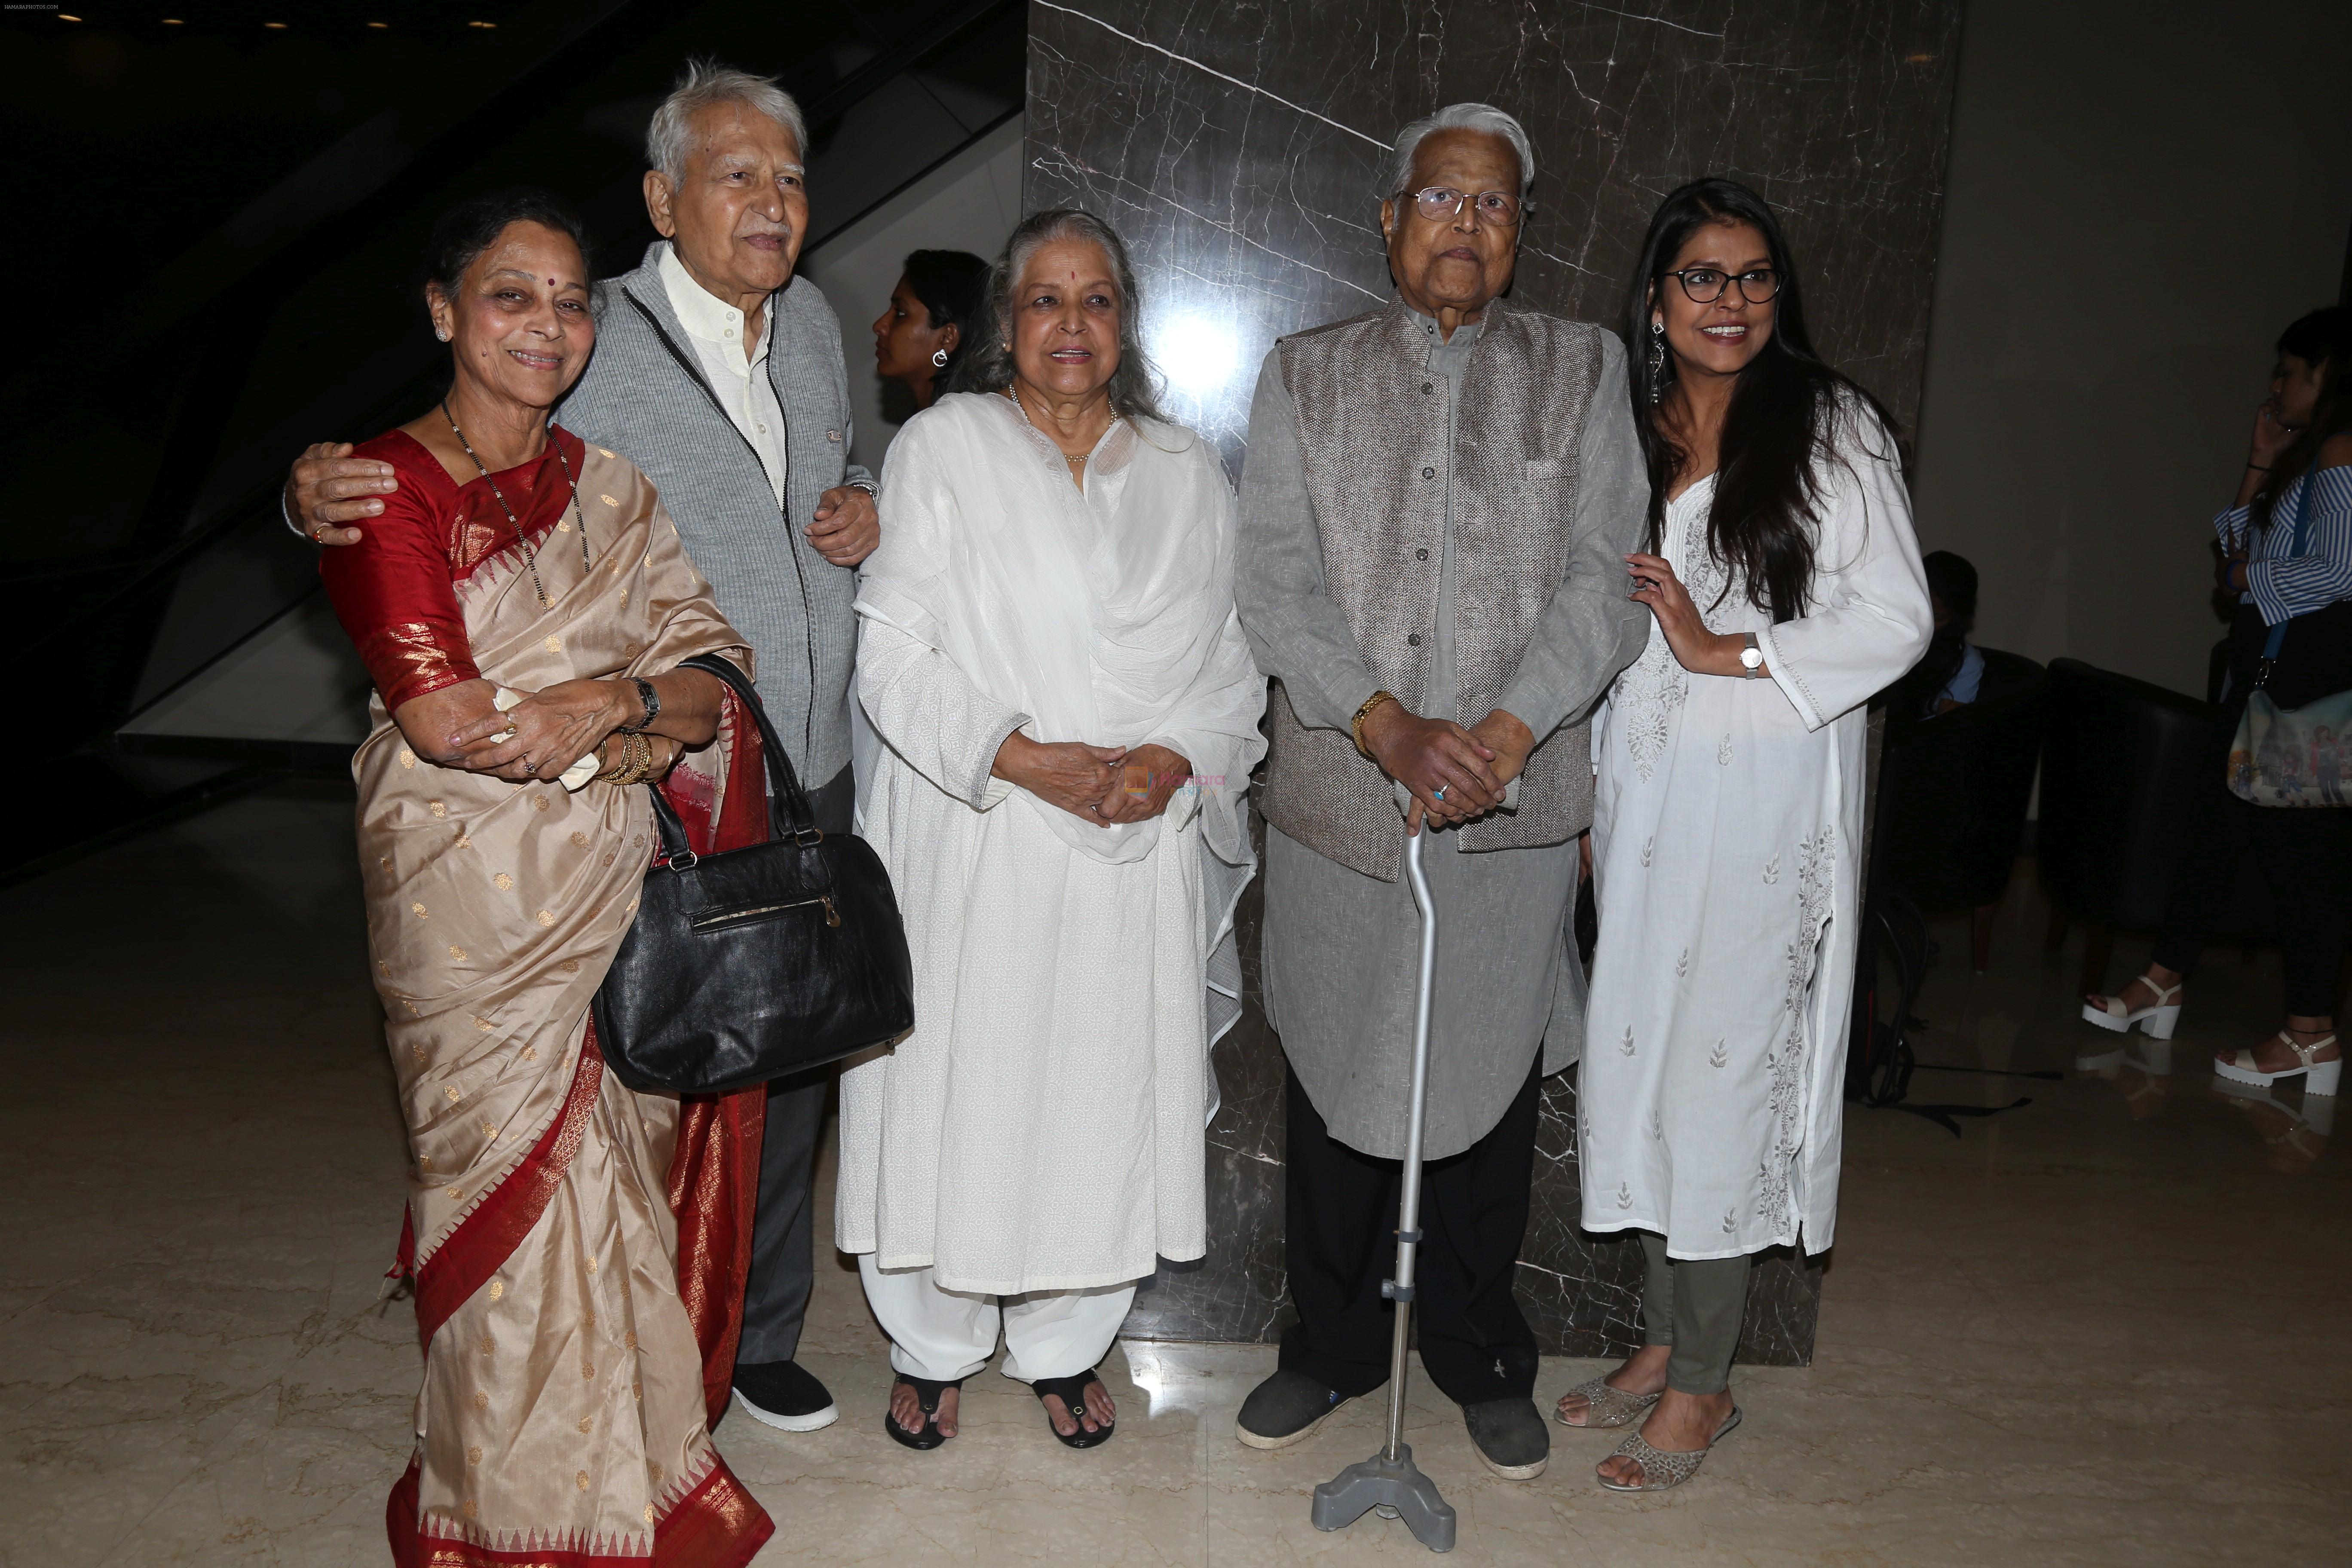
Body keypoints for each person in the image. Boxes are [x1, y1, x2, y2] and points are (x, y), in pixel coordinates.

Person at [286, 61, 876, 1436]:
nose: (772, 201)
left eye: (789, 176)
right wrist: (303, 493)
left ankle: (755, 1329)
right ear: (664, 199)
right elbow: (427, 479)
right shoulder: (582, 328)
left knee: (779, 1046)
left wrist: (870, 496)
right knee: (639, 1070)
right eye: (738, 175)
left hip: (798, 747)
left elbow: (821, 482)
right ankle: (611, 1359)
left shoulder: (817, 327)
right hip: (630, 785)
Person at [327, 190, 774, 1563]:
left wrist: (611, 699)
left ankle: (629, 1480)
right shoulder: (378, 489)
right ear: (446, 311)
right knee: (507, 1196)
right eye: (511, 295)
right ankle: (506, 1510)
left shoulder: (615, 490)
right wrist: (627, 722)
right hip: (467, 910)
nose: (547, 325)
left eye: (571, 300)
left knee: (617, 1187)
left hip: (614, 897)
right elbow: (454, 727)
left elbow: (719, 679)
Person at [1230, 103, 1651, 1482]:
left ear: (1519, 235)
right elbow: (1276, 581)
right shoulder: (1306, 375)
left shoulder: (1582, 371)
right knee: (1341, 1072)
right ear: (1391, 221)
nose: (1464, 224)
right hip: (1347, 809)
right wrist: (1386, 726)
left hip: (1516, 807)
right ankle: (1332, 1347)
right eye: (1439, 200)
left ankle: (1477, 1351)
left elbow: (1606, 581)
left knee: (1487, 1078)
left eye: (1493, 205)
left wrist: (1510, 731)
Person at [837, 209, 1266, 1451]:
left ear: (1123, 323)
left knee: (1096, 1090)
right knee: (952, 1081)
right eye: (1044, 301)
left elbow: (1234, 665)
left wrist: (1173, 759)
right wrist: (1026, 761)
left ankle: (1070, 1345)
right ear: (1005, 326)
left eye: (1095, 302)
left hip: (1134, 840)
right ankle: (934, 1340)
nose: (1070, 326)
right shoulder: (943, 448)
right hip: (977, 825)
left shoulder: (1184, 470)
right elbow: (895, 650)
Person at [1561, 178, 1932, 1491]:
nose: (1731, 302)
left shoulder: (1832, 429)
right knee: (1645, 1061)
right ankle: (1666, 1337)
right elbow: (1601, 642)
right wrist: (1597, 801)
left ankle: (1708, 1386)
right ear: (1656, 301)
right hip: (1649, 803)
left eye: (1755, 277)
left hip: (1766, 804)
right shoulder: (1633, 430)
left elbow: (1898, 619)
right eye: (1702, 278)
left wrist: (1730, 649)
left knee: (1721, 1076)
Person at [2083, 306, 2352, 1092]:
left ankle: (2309, 1032)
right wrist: (2259, 461)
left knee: (2302, 864)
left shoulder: (2342, 450)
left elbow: (2336, 572)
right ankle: (2163, 981)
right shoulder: (2311, 456)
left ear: (2328, 376)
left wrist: (2244, 581)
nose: (2277, 386)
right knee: (2212, 840)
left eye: (2291, 372)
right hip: (2270, 690)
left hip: (2302, 696)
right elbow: (2234, 565)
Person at [871, 248, 989, 419]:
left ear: (947, 338)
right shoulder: (946, 421)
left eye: (901, 314)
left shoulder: (959, 426)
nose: (879, 326)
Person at [1890, 548, 1983, 716]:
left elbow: (1943, 733)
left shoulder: (1965, 663)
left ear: (1956, 618)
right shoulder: (1880, 636)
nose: (1924, 624)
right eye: (1918, 610)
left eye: (1937, 617)